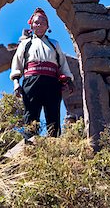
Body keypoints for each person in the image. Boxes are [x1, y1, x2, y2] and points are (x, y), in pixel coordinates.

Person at [10, 8, 75, 138]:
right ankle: (30, 143)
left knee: (53, 113)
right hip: (31, 81)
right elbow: (17, 64)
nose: (39, 25)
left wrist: (69, 81)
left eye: (42, 23)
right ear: (31, 25)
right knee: (31, 112)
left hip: (52, 82)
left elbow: (62, 64)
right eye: (36, 23)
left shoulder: (54, 44)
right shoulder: (25, 44)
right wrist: (16, 83)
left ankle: (54, 144)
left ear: (47, 26)